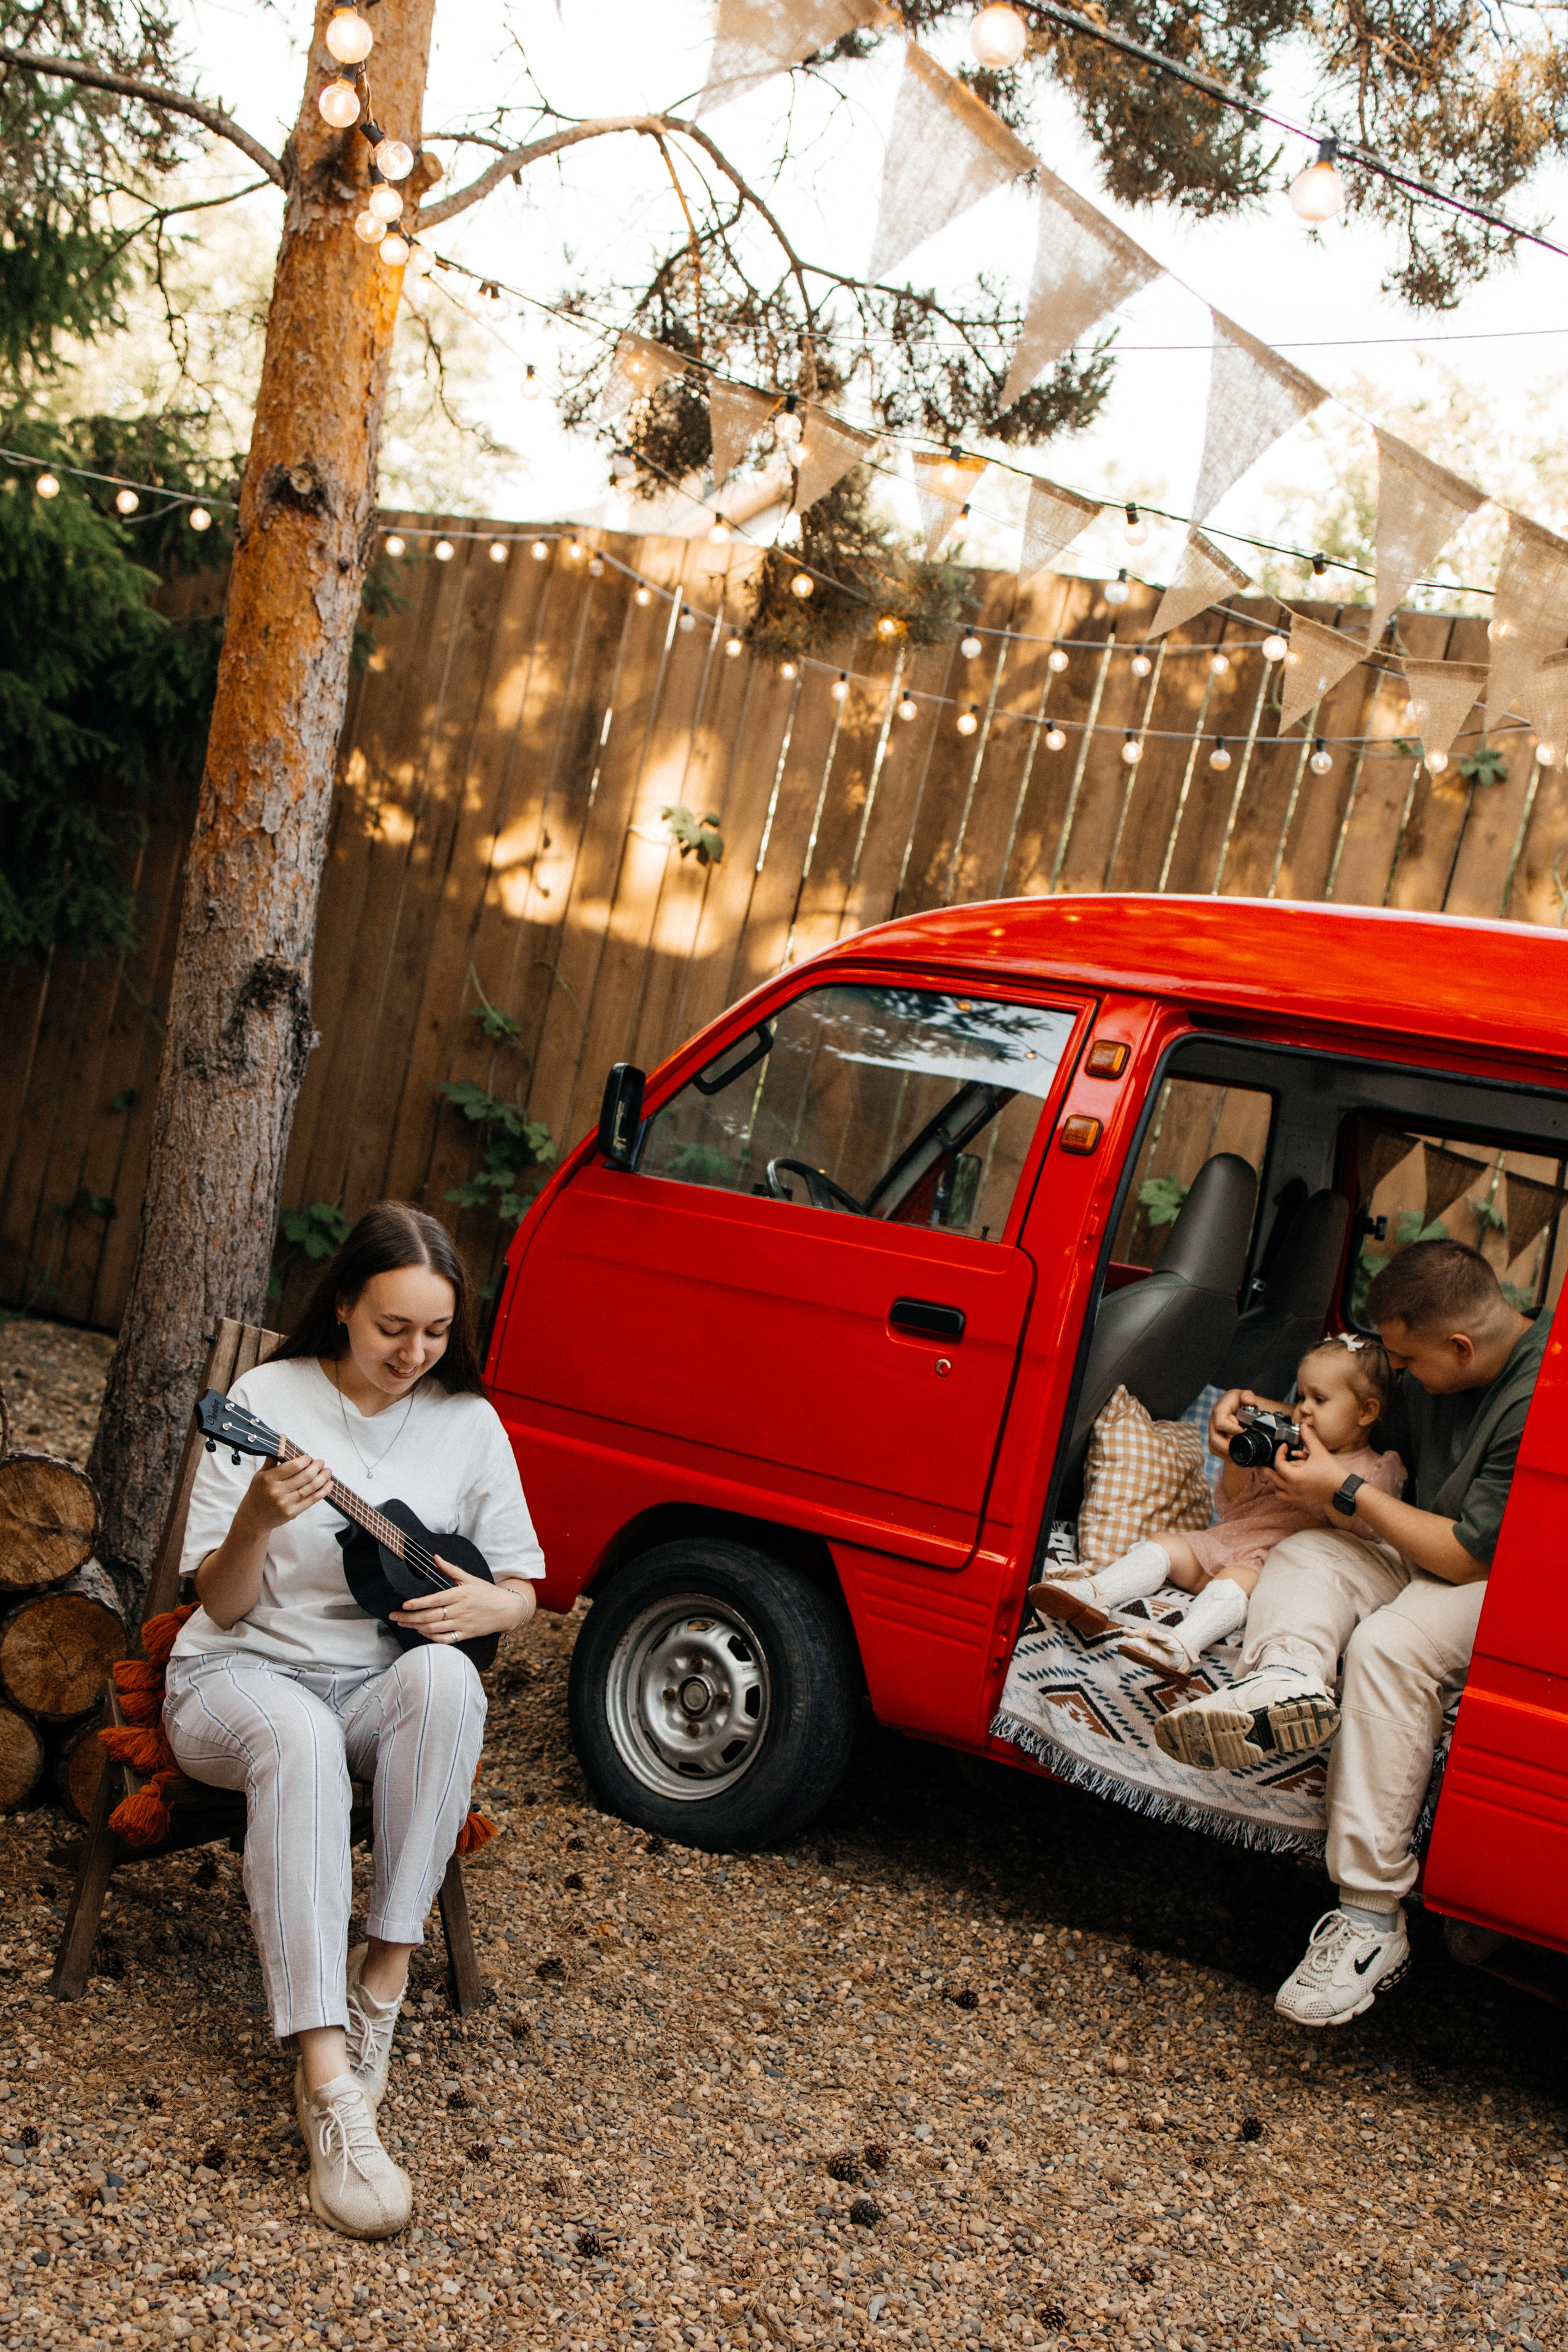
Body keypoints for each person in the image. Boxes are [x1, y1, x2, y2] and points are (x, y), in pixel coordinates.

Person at [162, 1204, 545, 2239]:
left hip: (371, 1685)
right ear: (341, 1304)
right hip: (237, 1678)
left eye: (433, 1332)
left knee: (450, 1684)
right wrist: (255, 1518)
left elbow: (526, 1588)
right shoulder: (267, 1400)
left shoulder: (467, 1420)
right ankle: (330, 2084)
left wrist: (490, 1606)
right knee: (302, 1738)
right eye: (391, 1330)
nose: (413, 1354)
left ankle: (381, 1979)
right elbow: (223, 1604)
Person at [1155, 1239, 1548, 2029]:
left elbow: (1468, 1557)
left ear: (1459, 1346)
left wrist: (1341, 1491)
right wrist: (1253, 1414)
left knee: (1387, 1646)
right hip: (1421, 1546)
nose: (1397, 1374)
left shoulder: (1536, 1392)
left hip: (1506, 1582)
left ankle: (1369, 1918)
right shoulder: (1434, 1366)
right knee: (1303, 1551)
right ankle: (1286, 1681)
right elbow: (1350, 1421)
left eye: (1406, 1359)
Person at [1030, 1336, 1405, 1678]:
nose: (1302, 1410)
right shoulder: (1287, 1446)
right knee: (1165, 1544)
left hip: (1270, 1566)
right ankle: (1094, 1594)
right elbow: (1234, 1500)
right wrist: (1238, 1455)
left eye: (1319, 1400)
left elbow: (1364, 1530)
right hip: (1228, 1539)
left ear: (1366, 1412)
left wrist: (1327, 1490)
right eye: (1301, 1396)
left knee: (1233, 1582)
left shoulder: (1376, 1467)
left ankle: (1179, 1647)